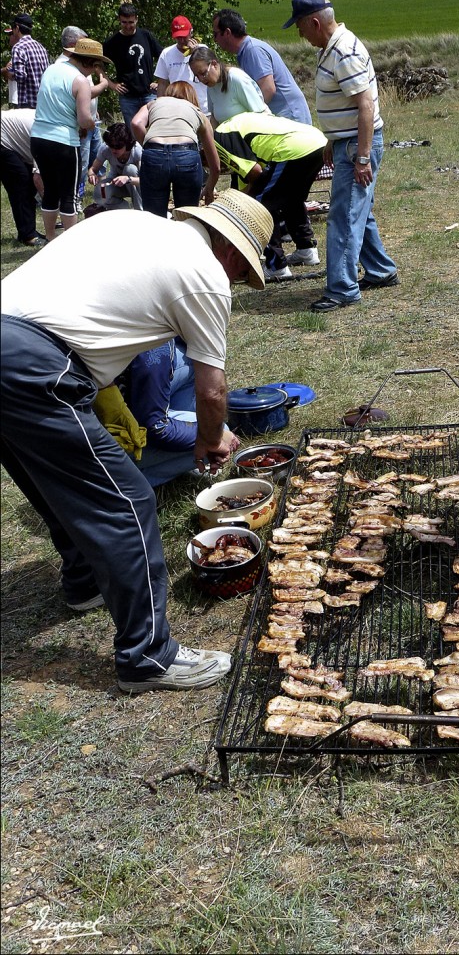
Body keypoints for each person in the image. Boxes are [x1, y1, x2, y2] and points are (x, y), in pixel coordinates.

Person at [0, 189, 274, 693]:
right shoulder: (207, 275)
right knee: (129, 500)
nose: (237, 281)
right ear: (231, 251)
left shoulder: (129, 223)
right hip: (36, 366)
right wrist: (209, 441)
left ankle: (84, 583)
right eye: (242, 271)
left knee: (53, 481)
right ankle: (149, 656)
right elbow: (211, 389)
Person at [283, 0, 398, 312]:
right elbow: (346, 103)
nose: (300, 34)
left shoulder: (343, 52)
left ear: (315, 22)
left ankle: (342, 288)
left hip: (358, 145)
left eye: (300, 27)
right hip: (347, 142)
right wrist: (332, 140)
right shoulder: (331, 48)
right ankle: (381, 270)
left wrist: (361, 156)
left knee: (343, 217)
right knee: (358, 211)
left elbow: (365, 104)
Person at [213, 110, 326, 280]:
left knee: (260, 207)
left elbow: (255, 174)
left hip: (291, 149)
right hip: (315, 141)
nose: (218, 167)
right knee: (292, 199)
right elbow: (242, 187)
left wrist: (248, 205)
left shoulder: (219, 138)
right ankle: (306, 249)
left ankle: (276, 266)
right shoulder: (233, 127)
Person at [121, 337, 239, 487]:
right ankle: (129, 482)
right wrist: (213, 437)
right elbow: (156, 427)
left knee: (190, 358)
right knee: (218, 433)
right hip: (101, 446)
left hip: (130, 404)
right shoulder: (152, 351)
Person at [30, 37, 103, 240]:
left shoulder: (52, 69)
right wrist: (92, 123)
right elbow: (84, 118)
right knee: (68, 195)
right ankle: (71, 245)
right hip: (64, 142)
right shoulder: (80, 80)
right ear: (89, 62)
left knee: (50, 191)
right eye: (95, 65)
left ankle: (51, 239)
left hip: (38, 137)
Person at [131, 81, 219, 219]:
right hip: (186, 155)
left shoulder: (154, 103)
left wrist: (149, 145)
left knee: (154, 219)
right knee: (186, 217)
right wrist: (209, 188)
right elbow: (215, 165)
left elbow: (136, 123)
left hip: (154, 153)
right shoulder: (198, 112)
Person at [212, 7, 310, 124]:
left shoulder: (253, 51)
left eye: (215, 34)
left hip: (289, 117)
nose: (215, 40)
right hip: (282, 116)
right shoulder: (245, 52)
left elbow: (268, 89)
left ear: (227, 33)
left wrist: (249, 117)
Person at [57, 26, 109, 208]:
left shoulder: (79, 65)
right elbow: (77, 93)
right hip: (82, 124)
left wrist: (93, 110)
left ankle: (102, 195)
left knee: (97, 158)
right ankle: (75, 198)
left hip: (91, 118)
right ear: (73, 44)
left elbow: (84, 93)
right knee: (82, 162)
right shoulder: (63, 66)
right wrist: (103, 85)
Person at [102, 3, 162, 126]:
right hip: (127, 97)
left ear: (136, 19)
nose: (128, 26)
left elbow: (164, 58)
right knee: (133, 135)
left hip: (149, 94)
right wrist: (111, 84)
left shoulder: (146, 36)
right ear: (119, 20)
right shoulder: (113, 42)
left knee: (155, 130)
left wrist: (160, 82)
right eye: (124, 22)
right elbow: (97, 65)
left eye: (131, 22)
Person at [188, 46, 268, 127]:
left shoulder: (237, 78)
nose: (201, 79)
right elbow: (214, 119)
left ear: (214, 64)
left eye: (203, 73)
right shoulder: (211, 85)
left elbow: (260, 115)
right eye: (197, 76)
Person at [0, 107, 46, 245]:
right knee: (21, 182)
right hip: (2, 139)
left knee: (26, 185)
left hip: (12, 138)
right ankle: (28, 235)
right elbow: (38, 179)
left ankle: (27, 231)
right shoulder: (45, 138)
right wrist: (52, 205)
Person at [154, 14, 209, 114]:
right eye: (178, 37)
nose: (182, 40)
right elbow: (162, 83)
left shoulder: (203, 49)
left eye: (184, 36)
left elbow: (210, 75)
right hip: (178, 110)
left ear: (191, 32)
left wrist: (196, 53)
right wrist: (160, 107)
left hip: (203, 109)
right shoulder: (167, 53)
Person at [87, 121, 143, 211]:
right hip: (116, 183)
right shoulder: (105, 149)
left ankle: (140, 210)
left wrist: (128, 179)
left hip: (137, 186)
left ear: (127, 143)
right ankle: (123, 210)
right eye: (111, 145)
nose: (114, 150)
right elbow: (93, 169)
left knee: (130, 169)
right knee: (100, 191)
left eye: (118, 146)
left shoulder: (137, 151)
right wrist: (92, 175)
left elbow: (146, 181)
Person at [2, 13, 50, 108]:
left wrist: (9, 74)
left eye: (13, 27)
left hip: (27, 102)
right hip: (43, 101)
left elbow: (21, 76)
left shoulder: (18, 47)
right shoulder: (40, 47)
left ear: (17, 28)